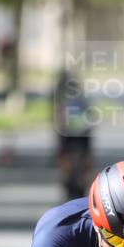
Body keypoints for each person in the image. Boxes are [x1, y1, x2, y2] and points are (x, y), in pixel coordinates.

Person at [53, 69, 93, 200]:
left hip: (73, 137)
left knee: (70, 162)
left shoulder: (63, 100)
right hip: (77, 137)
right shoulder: (81, 100)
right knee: (76, 163)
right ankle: (78, 180)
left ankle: (76, 180)